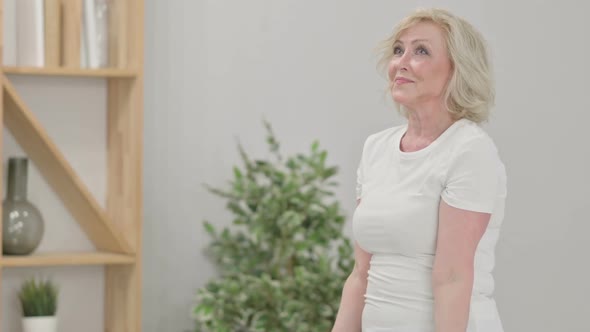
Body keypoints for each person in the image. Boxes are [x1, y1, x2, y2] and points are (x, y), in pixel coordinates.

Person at [332, 8, 507, 332]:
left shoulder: (468, 150)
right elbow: (360, 274)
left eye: (421, 51)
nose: (401, 62)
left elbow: (452, 277)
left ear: (457, 69)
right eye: (398, 50)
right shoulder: (375, 149)